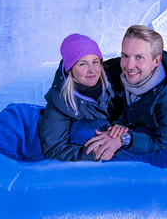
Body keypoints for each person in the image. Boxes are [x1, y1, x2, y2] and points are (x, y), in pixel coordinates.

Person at [84, 25, 167, 159]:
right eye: (125, 55)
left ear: (156, 61)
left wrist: (123, 138)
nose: (128, 65)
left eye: (139, 57)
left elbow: (164, 141)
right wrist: (119, 125)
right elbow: (75, 74)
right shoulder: (115, 70)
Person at [38, 33, 126, 161]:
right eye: (83, 64)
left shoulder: (116, 78)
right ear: (70, 69)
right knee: (90, 129)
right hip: (105, 155)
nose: (92, 70)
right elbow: (54, 147)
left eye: (95, 62)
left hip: (125, 141)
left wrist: (120, 129)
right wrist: (93, 153)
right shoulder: (59, 102)